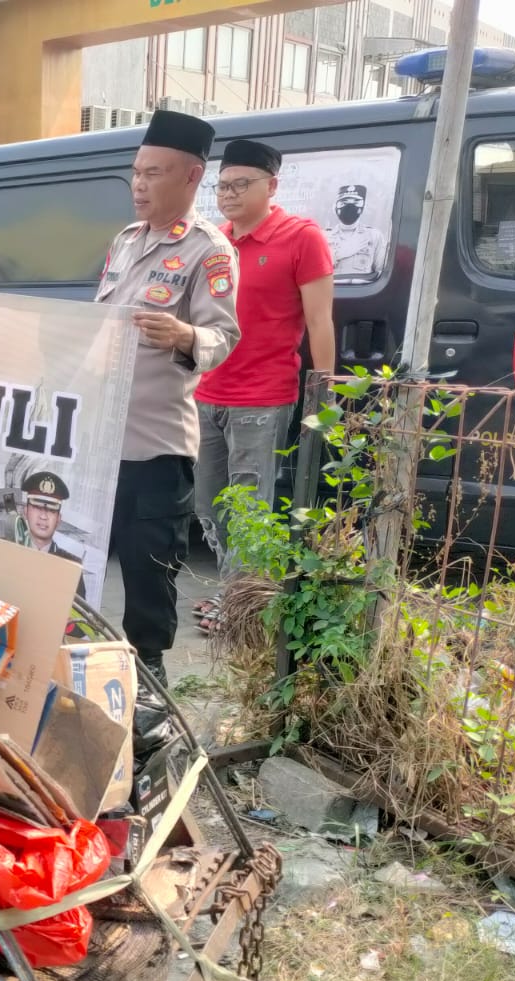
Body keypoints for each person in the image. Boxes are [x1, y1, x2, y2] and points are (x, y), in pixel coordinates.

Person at [94, 110, 240, 682]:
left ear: (191, 176)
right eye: (136, 172)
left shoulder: (210, 251)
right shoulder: (126, 241)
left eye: (154, 173)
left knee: (148, 579)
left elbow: (224, 336)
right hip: (101, 439)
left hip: (155, 448)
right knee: (82, 567)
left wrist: (185, 335)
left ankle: (149, 689)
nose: (139, 184)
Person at [193, 139, 335, 628]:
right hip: (206, 391)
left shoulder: (301, 237)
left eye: (240, 184)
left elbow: (320, 322)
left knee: (250, 506)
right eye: (222, 185)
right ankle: (241, 592)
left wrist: (325, 389)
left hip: (262, 396)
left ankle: (242, 607)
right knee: (209, 502)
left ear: (271, 186)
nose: (228, 194)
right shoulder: (215, 240)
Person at [14, 471, 82, 564]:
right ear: (25, 511)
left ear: (58, 519)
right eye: (37, 507)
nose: (43, 516)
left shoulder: (71, 564)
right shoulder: (8, 552)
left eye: (51, 510)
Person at [325, 183, 388, 283]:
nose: (350, 206)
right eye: (344, 201)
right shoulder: (323, 237)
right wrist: (340, 254)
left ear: (363, 206)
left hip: (363, 295)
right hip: (332, 295)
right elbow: (313, 271)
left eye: (356, 201)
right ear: (335, 206)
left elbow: (382, 274)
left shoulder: (374, 236)